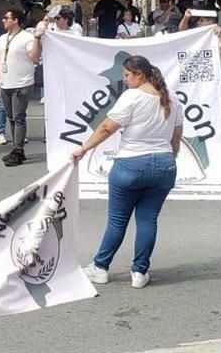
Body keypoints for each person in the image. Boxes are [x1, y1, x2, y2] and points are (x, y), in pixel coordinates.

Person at [72, 55, 182, 290]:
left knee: (117, 221)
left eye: (127, 75)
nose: (125, 80)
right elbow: (176, 136)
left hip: (130, 164)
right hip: (164, 165)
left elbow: (106, 127)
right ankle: (140, 271)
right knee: (148, 220)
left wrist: (83, 148)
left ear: (139, 75)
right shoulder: (171, 98)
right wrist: (170, 156)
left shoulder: (132, 97)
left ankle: (100, 267)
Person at [0, 9, 42, 167]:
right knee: (11, 118)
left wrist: (37, 40)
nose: (3, 20)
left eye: (6, 18)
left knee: (19, 117)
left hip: (21, 83)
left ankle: (18, 150)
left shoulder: (27, 37)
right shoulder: (2, 38)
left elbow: (34, 58)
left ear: (16, 20)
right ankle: (16, 148)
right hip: (6, 83)